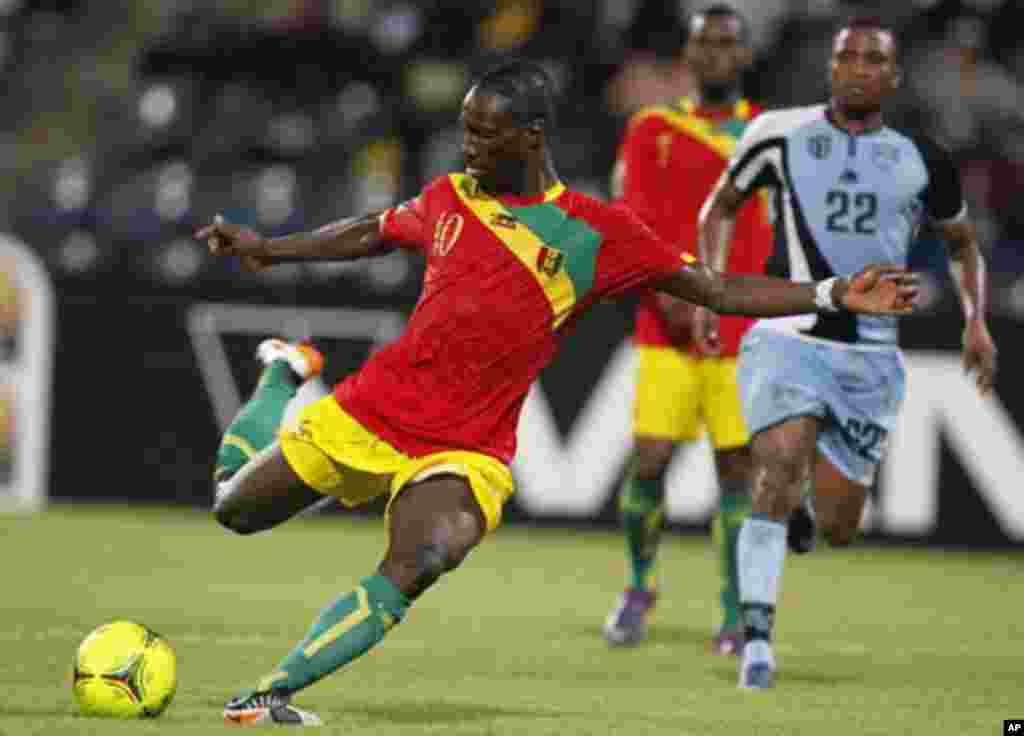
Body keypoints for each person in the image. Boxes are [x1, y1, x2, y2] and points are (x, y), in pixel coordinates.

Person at [196, 60, 915, 725]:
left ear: (531, 137)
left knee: (426, 555)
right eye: (465, 130)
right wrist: (271, 247)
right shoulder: (450, 198)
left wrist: (831, 292)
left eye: (484, 133)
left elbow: (718, 288)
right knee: (234, 508)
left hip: (467, 447)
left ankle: (271, 695)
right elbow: (370, 233)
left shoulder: (598, 232)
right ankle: (284, 371)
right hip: (369, 410)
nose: (468, 146)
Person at [696, 17, 997, 690]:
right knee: (772, 468)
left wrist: (976, 323)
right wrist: (707, 290)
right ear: (830, 68)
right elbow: (719, 207)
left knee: (837, 528)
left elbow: (962, 245)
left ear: (892, 77)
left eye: (872, 59)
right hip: (787, 331)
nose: (857, 67)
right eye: (846, 56)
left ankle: (805, 511)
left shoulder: (923, 155)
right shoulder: (777, 132)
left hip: (869, 355)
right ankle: (757, 643)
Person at [602, 4, 772, 655]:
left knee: (737, 471)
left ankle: (734, 611)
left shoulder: (767, 132)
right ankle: (640, 587)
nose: (715, 55)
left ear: (744, 55)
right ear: (689, 55)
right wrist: (673, 294)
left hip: (741, 332)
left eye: (728, 44)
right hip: (664, 324)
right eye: (705, 44)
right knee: (650, 458)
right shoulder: (652, 128)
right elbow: (632, 219)